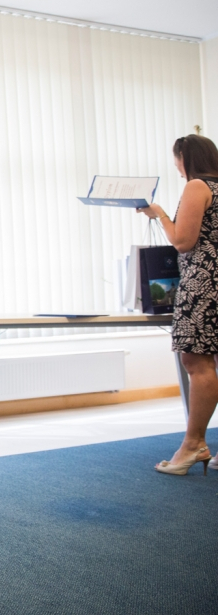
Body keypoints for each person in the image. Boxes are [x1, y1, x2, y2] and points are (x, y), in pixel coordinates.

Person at [137, 134, 218, 477]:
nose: (177, 168)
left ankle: (194, 444)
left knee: (196, 362)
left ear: (186, 158)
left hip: (204, 284)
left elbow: (183, 242)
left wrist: (158, 214)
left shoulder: (197, 186)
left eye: (177, 162)